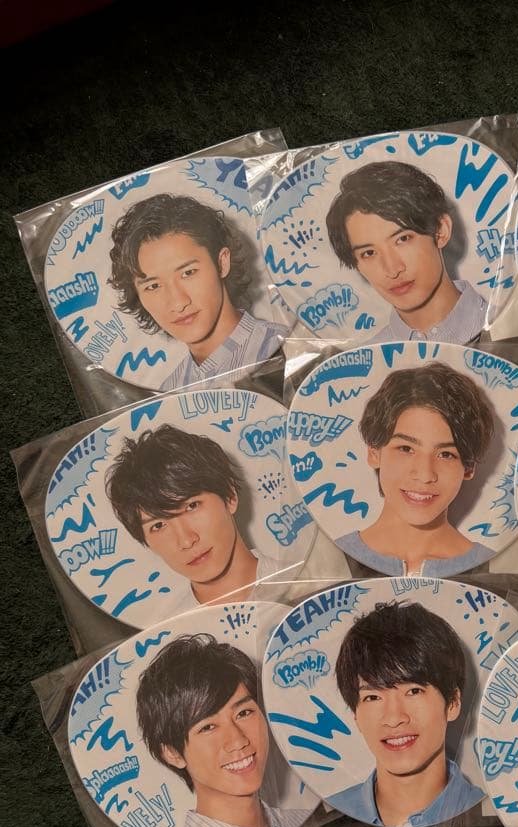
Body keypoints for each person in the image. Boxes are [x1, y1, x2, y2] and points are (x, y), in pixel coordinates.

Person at [136, 634, 311, 827]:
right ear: (172, 753)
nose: (238, 740)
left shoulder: (308, 826)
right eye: (208, 727)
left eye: (244, 713)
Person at [108, 193, 287, 390]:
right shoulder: (169, 390)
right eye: (153, 286)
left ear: (222, 263)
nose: (178, 303)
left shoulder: (289, 347)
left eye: (188, 273)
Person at [329, 601, 483, 827]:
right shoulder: (323, 822)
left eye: (413, 691)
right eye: (373, 697)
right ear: (355, 715)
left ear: (453, 702)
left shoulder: (497, 820)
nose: (394, 718)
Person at [335, 362, 496, 575]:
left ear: (468, 467)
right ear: (374, 452)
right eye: (406, 448)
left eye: (446, 454)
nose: (425, 475)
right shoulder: (329, 558)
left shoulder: (495, 568)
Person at [105, 425, 281, 612]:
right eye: (158, 525)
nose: (186, 541)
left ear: (230, 496)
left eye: (192, 506)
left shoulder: (301, 584)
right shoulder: (166, 629)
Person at [325, 161, 488, 345]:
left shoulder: (508, 326)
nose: (392, 269)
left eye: (402, 239)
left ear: (440, 231)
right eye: (369, 253)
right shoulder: (366, 359)